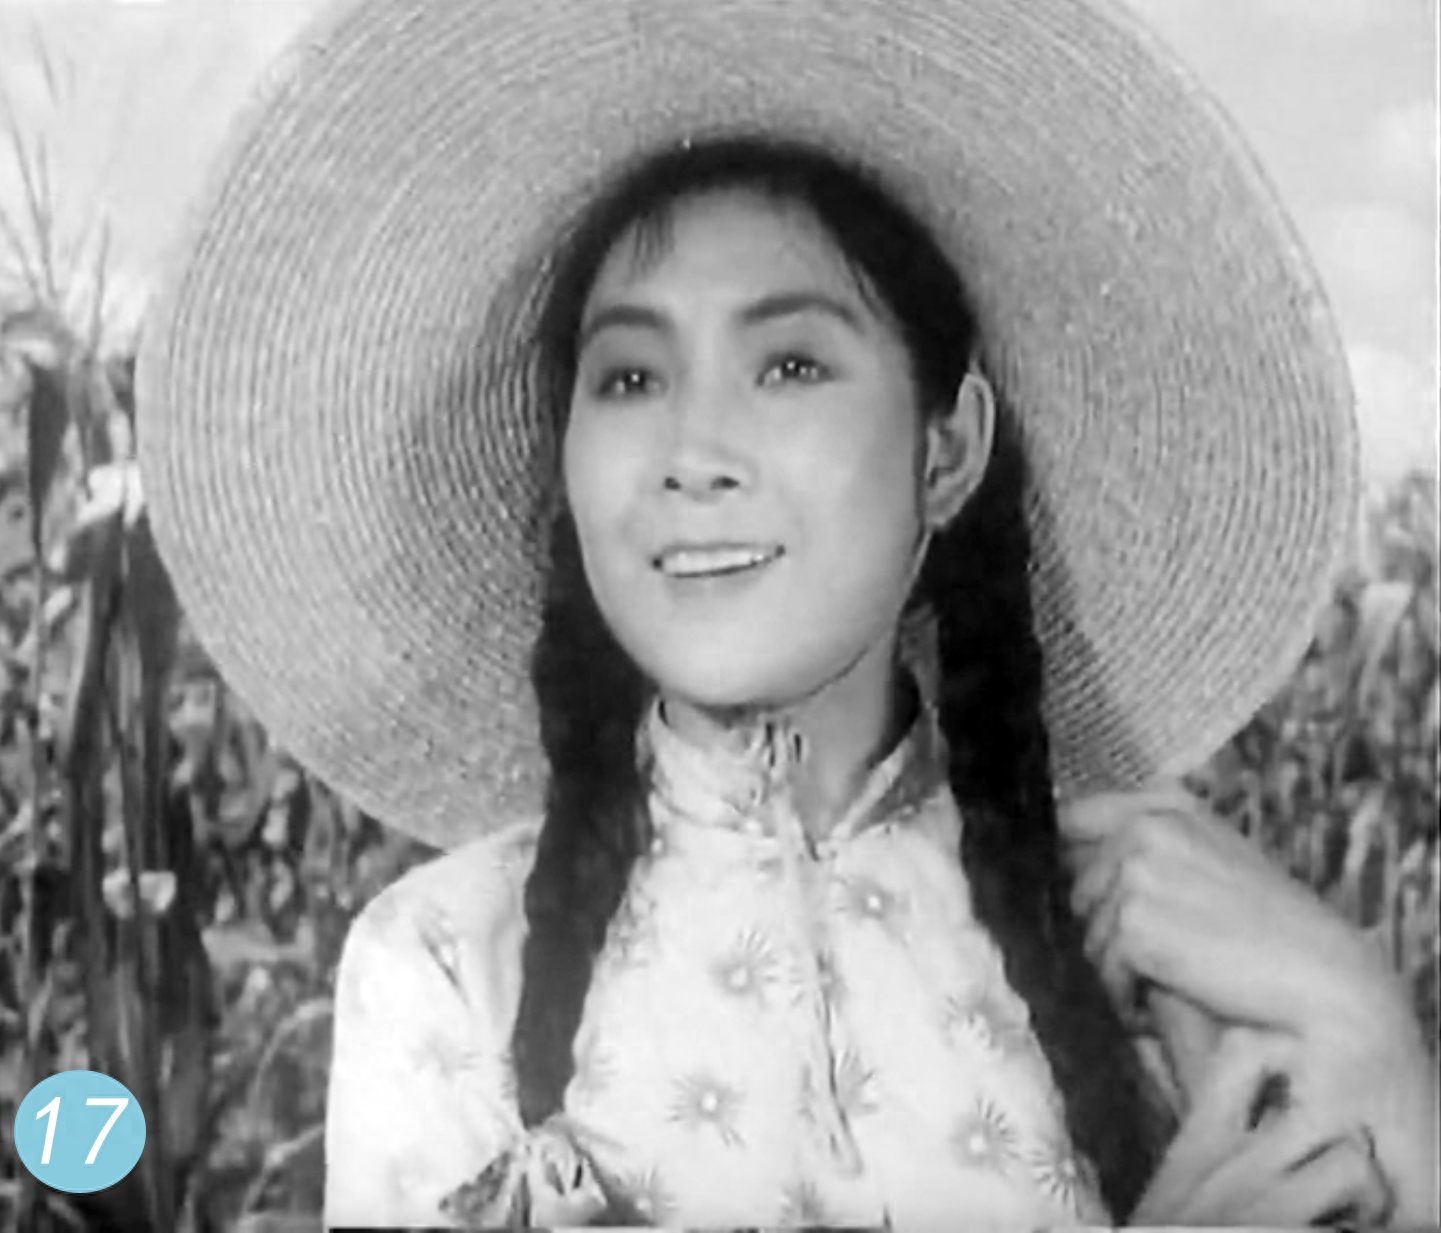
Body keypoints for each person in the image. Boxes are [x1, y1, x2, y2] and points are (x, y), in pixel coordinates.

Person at [134, 0, 1438, 1227]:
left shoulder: (1152, 940)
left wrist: (1369, 1031)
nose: (692, 454)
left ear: (947, 451)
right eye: (629, 376)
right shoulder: (445, 963)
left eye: (791, 363)